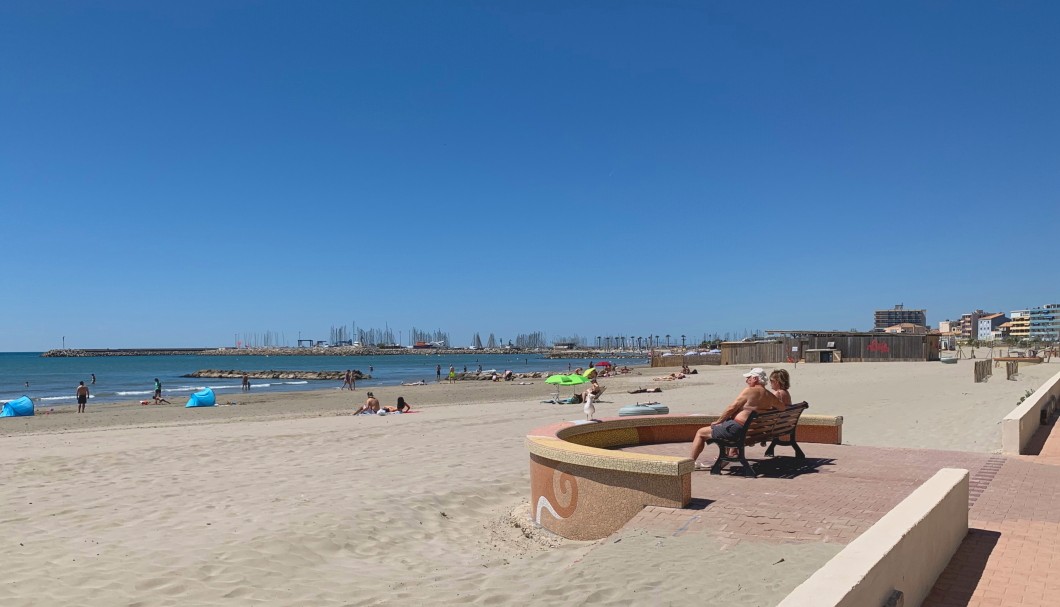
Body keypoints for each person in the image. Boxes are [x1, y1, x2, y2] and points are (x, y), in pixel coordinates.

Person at [688, 368, 784, 469]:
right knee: (726, 424)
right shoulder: (769, 395)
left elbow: (732, 408)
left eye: (749, 378)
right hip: (754, 432)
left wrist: (719, 421)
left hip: (739, 431)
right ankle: (723, 459)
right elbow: (782, 407)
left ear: (755, 378)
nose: (747, 381)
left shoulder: (749, 391)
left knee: (700, 433)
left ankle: (689, 464)